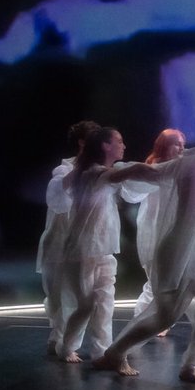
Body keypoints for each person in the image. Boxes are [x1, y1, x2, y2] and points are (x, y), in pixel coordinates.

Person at [92, 114, 195, 383]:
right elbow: (144, 172)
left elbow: (141, 172)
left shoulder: (193, 164)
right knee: (166, 314)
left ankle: (190, 365)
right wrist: (107, 175)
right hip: (178, 248)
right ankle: (116, 352)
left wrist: (110, 175)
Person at [55, 127, 161, 364]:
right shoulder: (91, 173)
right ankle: (66, 347)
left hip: (102, 249)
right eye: (119, 141)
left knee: (105, 303)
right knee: (86, 305)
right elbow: (128, 172)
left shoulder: (96, 173)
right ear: (105, 146)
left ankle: (101, 352)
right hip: (81, 251)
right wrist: (166, 168)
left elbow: (126, 174)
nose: (124, 146)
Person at [37, 119, 98, 356]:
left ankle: (73, 342)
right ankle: (60, 338)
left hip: (85, 243)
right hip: (61, 241)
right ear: (83, 143)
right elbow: (60, 200)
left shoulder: (99, 169)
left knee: (86, 296)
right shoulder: (65, 170)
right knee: (61, 293)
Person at [132, 128, 186, 338]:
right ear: (164, 146)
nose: (181, 148)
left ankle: (156, 320)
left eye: (182, 144)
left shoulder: (179, 168)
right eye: (176, 144)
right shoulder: (154, 167)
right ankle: (142, 322)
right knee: (155, 280)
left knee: (169, 280)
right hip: (154, 228)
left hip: (170, 228)